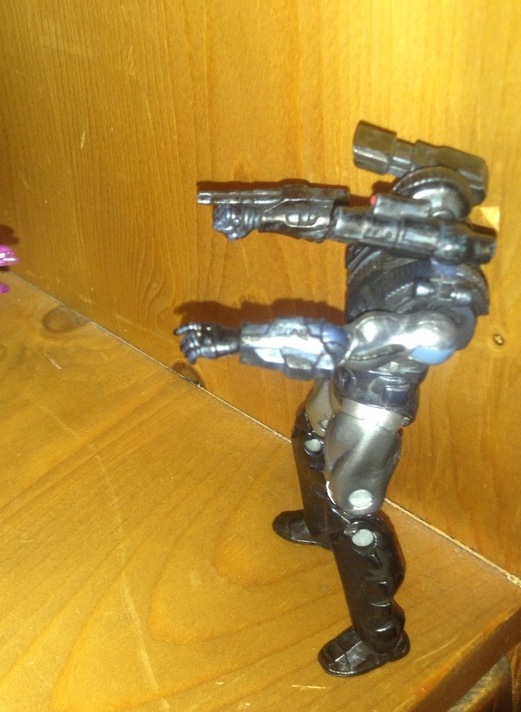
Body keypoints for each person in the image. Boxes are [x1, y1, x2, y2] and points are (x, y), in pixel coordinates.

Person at [176, 122, 495, 676]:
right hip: (350, 369)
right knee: (308, 435)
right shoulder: (398, 238)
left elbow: (345, 342)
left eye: (422, 208)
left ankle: (381, 636)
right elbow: (329, 219)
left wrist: (237, 340)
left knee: (355, 511)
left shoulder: (447, 301)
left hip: (376, 402)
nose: (405, 214)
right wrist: (258, 214)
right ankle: (320, 527)